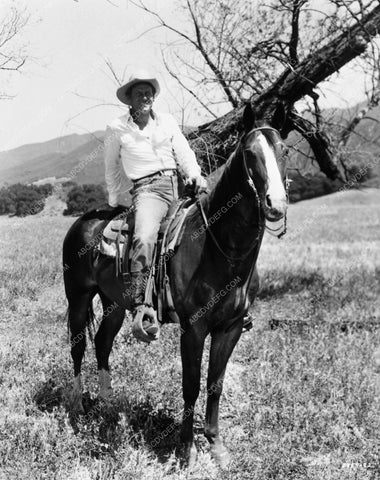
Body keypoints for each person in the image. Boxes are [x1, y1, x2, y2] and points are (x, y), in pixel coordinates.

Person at [104, 69, 207, 324]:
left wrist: (194, 174)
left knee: (214, 222)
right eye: (139, 93)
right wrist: (115, 198)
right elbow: (111, 167)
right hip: (148, 190)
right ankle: (141, 301)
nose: (145, 96)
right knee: (145, 235)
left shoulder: (167, 121)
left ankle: (230, 297)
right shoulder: (116, 128)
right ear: (129, 99)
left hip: (178, 184)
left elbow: (183, 151)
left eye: (149, 91)